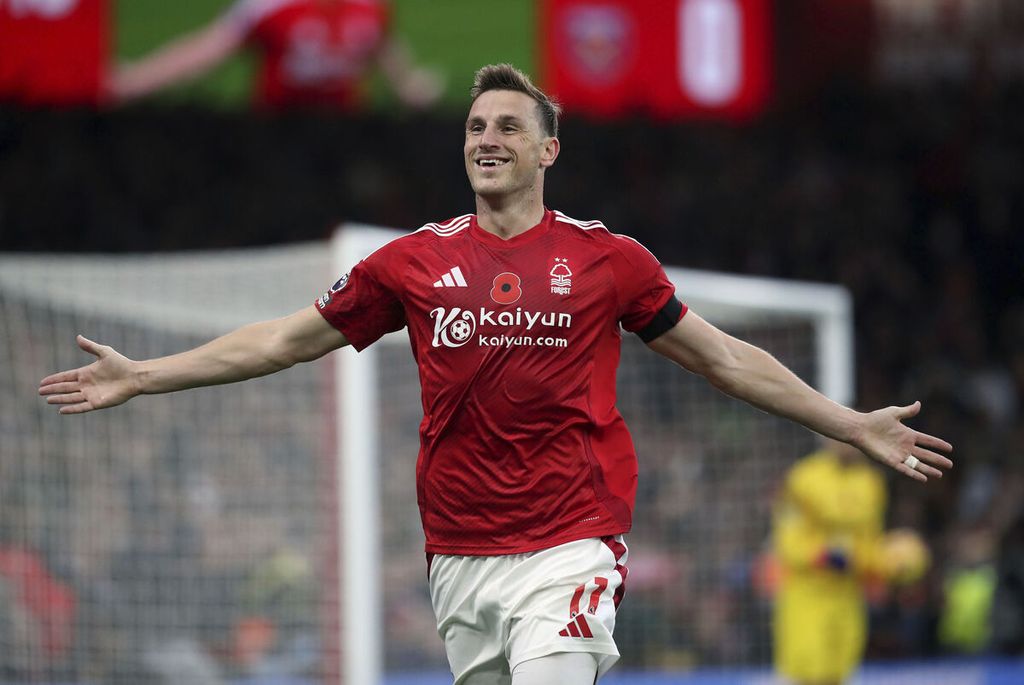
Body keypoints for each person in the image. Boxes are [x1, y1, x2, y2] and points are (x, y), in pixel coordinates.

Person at [39, 64, 954, 684]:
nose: (487, 138)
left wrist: (849, 422)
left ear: (548, 150)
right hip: (459, 556)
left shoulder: (608, 262)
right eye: (476, 126)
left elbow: (721, 357)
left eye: (509, 126)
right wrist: (146, 375)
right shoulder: (411, 264)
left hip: (569, 544)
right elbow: (283, 340)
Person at [108, 0, 442, 109]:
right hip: (278, 131)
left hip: (340, 133)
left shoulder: (369, 5)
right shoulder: (270, 7)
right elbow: (206, 50)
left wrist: (408, 85)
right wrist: (134, 81)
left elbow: (380, 44)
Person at [770, 439, 888, 685]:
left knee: (839, 674)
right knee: (804, 674)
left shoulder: (871, 483)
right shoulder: (804, 477)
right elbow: (789, 539)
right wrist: (823, 555)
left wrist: (889, 561)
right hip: (808, 595)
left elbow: (872, 540)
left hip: (848, 596)